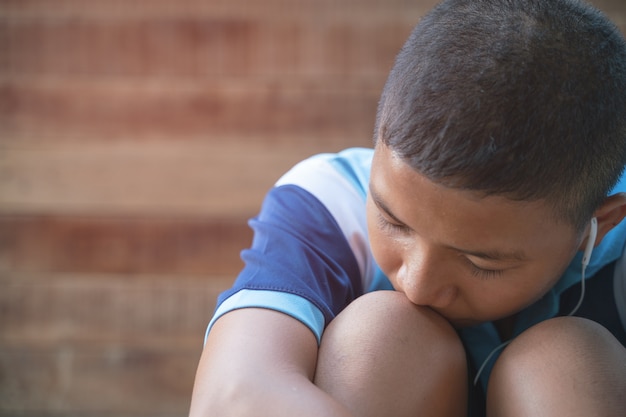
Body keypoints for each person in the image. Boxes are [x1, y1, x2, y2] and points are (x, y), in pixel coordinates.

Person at [189, 0, 626, 415]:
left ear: (600, 222)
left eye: (481, 262)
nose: (417, 286)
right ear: (378, 140)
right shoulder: (329, 201)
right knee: (383, 333)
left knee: (561, 363)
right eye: (392, 221)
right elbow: (234, 395)